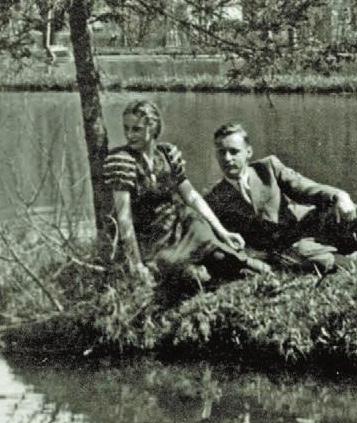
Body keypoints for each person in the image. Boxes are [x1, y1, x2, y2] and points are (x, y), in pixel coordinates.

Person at [205, 122, 357, 278]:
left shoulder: (268, 168)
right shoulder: (214, 198)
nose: (227, 158)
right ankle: (342, 268)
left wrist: (339, 196)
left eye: (234, 151)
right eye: (221, 152)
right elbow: (220, 242)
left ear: (248, 152)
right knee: (333, 265)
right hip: (282, 250)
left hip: (305, 225)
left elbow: (306, 188)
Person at [104, 100, 270, 289]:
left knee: (220, 256)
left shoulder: (166, 154)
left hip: (181, 228)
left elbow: (192, 197)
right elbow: (124, 218)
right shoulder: (122, 161)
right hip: (150, 242)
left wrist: (223, 232)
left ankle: (256, 269)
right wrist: (136, 263)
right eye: (126, 128)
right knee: (187, 277)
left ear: (153, 127)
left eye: (137, 129)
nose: (129, 135)